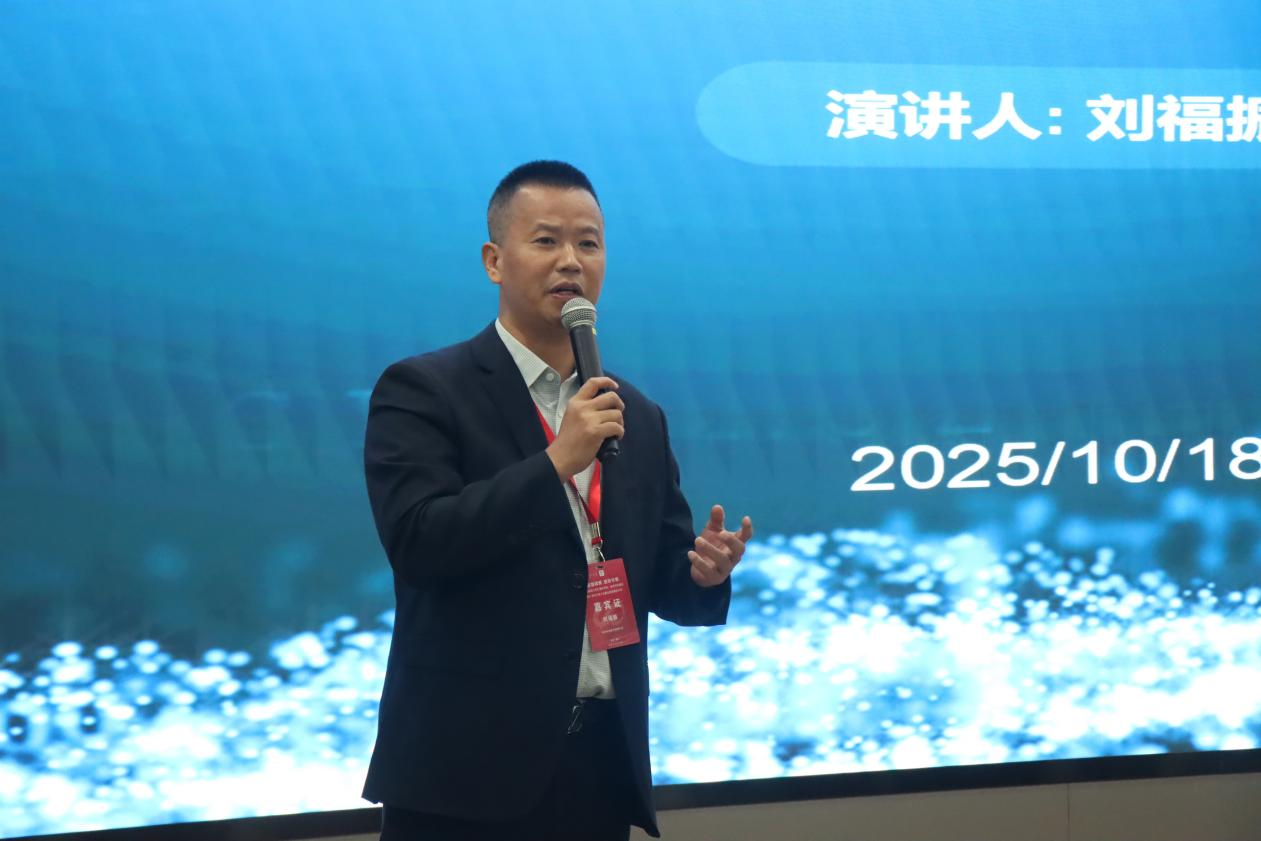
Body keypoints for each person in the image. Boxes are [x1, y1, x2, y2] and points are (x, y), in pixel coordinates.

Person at [361, 160, 754, 840]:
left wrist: (702, 574)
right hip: (464, 772)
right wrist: (555, 462)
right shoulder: (425, 389)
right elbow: (420, 543)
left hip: (598, 765)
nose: (570, 260)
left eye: (588, 243)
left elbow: (659, 579)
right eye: (546, 240)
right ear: (494, 260)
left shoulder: (634, 412)